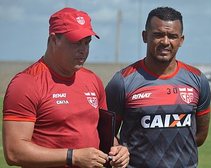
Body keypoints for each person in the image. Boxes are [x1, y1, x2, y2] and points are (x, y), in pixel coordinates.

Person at [2, 7, 129, 168]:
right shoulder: (26, 84)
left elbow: (106, 136)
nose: (83, 50)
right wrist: (72, 156)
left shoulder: (92, 80)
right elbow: (14, 152)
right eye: (76, 43)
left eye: (87, 43)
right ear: (54, 40)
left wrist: (118, 149)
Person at [105, 6, 211, 168]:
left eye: (172, 36)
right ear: (145, 36)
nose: (166, 42)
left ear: (181, 40)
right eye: (158, 35)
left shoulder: (197, 79)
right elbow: (107, 134)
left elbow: (200, 136)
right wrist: (119, 151)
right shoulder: (122, 81)